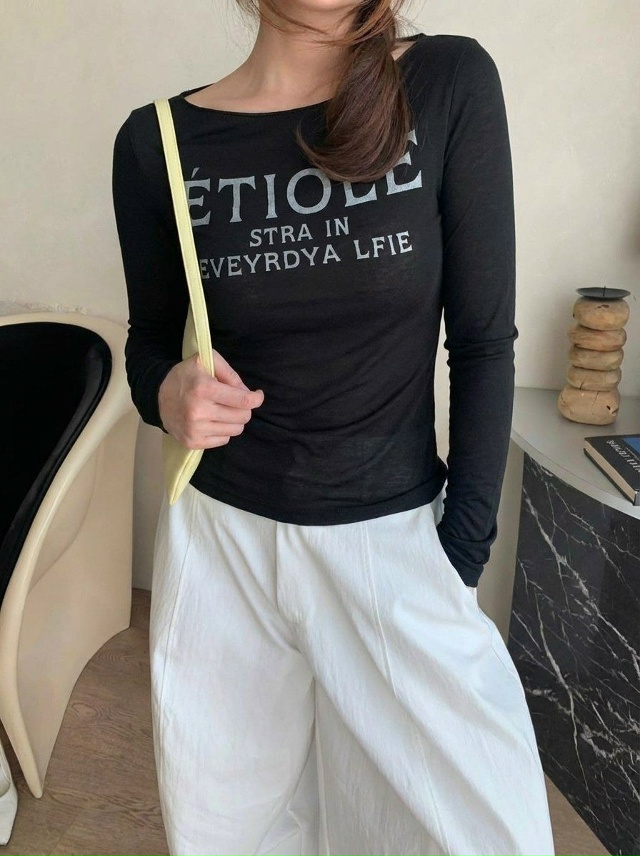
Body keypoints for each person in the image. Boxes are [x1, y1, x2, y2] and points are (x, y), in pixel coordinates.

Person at [111, 2, 556, 854]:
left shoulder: (446, 81)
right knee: (230, 833)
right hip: (222, 544)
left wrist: (459, 556)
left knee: (486, 834)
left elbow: (482, 342)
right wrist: (165, 393)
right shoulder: (156, 140)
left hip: (394, 539)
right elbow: (149, 341)